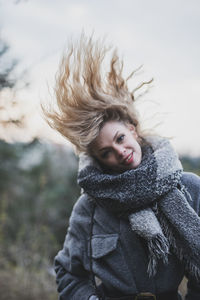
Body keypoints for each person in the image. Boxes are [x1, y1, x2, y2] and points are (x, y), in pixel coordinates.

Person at [43, 34, 200, 300]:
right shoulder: (91, 208)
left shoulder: (188, 188)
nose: (120, 151)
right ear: (100, 160)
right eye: (107, 152)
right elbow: (68, 273)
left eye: (120, 139)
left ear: (132, 130)